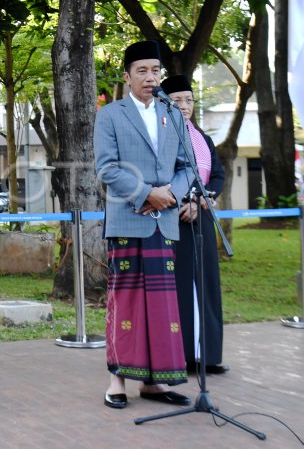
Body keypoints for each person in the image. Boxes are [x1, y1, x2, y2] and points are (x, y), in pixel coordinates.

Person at [93, 40, 195, 409]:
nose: (150, 77)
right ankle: (116, 380)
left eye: (155, 70)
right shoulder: (111, 115)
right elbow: (106, 168)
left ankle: (156, 384)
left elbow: (188, 167)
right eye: (142, 71)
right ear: (127, 76)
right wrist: (145, 193)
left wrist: (172, 194)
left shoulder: (172, 114)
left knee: (163, 307)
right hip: (128, 220)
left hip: (164, 222)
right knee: (127, 303)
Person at [161, 75, 229, 375]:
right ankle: (185, 355)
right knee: (182, 287)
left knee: (207, 284)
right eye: (177, 100)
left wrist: (203, 200)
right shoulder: (162, 135)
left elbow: (217, 174)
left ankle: (209, 356)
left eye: (189, 100)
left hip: (201, 215)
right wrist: (182, 202)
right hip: (174, 218)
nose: (185, 105)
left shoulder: (202, 138)